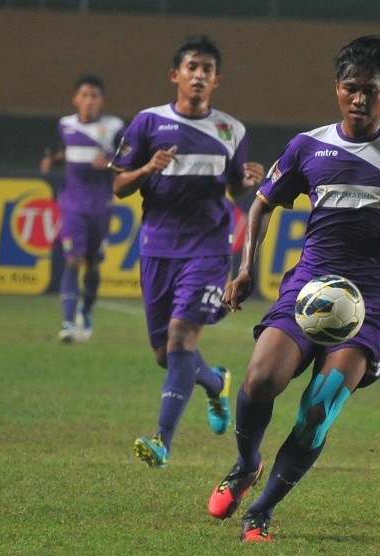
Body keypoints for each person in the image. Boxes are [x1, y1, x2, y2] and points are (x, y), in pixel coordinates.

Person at [207, 35, 380, 543]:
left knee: (318, 408)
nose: (359, 99)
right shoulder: (309, 146)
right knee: (259, 380)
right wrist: (245, 269)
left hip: (372, 298)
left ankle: (260, 511)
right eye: (351, 89)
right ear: (337, 90)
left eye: (370, 90)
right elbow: (261, 204)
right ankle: (245, 463)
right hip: (310, 285)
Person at [110, 36, 265, 468]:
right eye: (192, 67)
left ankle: (162, 441)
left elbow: (233, 187)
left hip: (209, 249)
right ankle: (215, 383)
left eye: (207, 69)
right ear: (175, 75)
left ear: (216, 81)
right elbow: (119, 185)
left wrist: (246, 181)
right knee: (166, 355)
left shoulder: (232, 130)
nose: (199, 75)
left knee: (180, 339)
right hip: (158, 247)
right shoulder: (147, 123)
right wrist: (145, 168)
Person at [40, 75, 125, 343]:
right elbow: (68, 152)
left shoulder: (114, 128)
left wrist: (111, 162)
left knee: (93, 266)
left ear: (102, 101)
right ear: (75, 99)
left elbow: (131, 160)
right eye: (84, 95)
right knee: (72, 260)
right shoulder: (65, 125)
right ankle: (67, 322)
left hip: (101, 204)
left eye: (94, 96)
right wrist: (53, 161)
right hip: (72, 203)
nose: (89, 101)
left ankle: (86, 312)